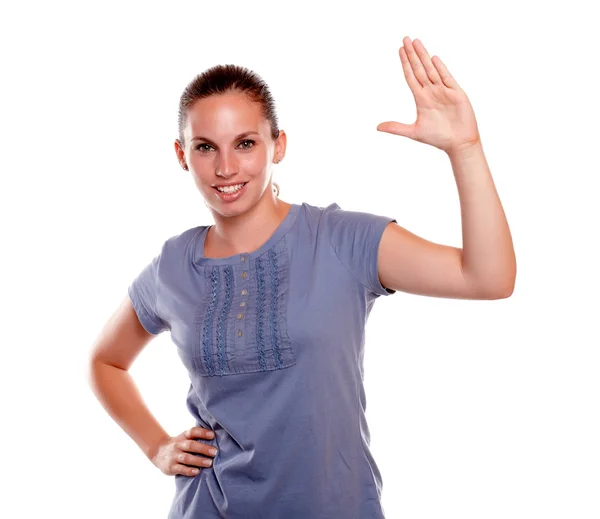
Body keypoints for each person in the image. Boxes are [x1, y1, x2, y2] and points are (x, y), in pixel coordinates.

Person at [87, 36, 516, 519]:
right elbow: (106, 362)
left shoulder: (343, 240)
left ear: (279, 144)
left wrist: (466, 149)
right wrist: (157, 447)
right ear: (182, 154)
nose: (225, 167)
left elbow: (488, 277)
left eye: (245, 143)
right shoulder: (173, 265)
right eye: (205, 147)